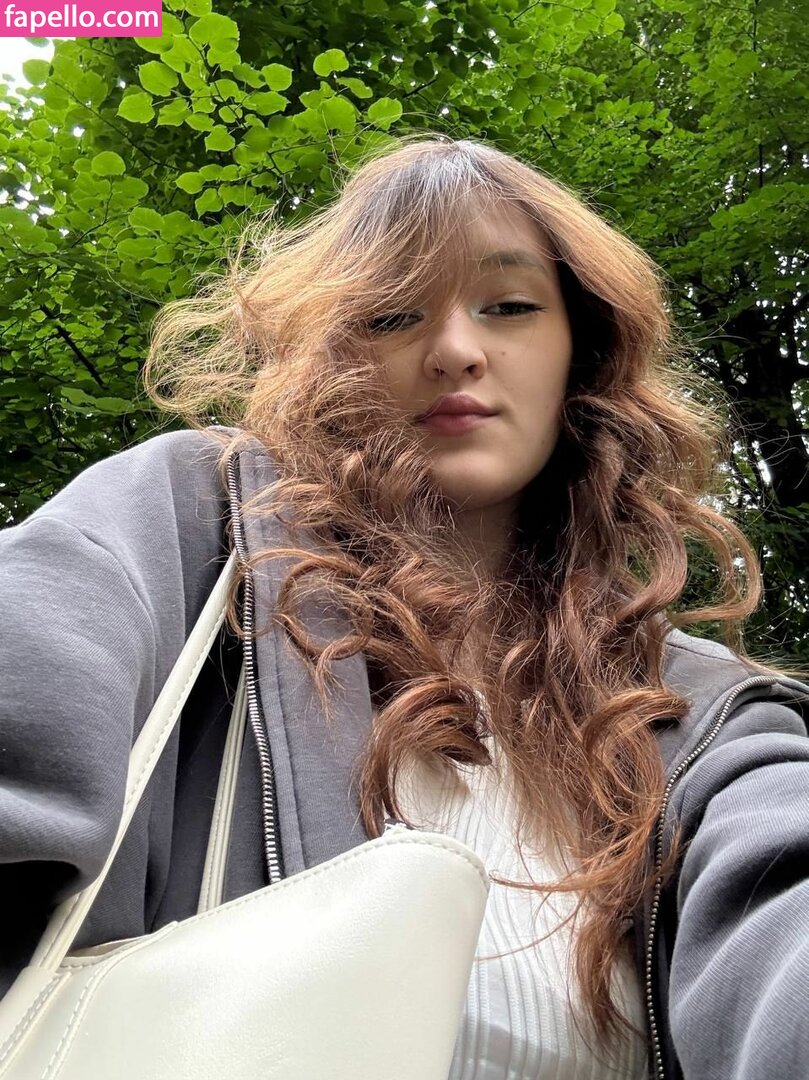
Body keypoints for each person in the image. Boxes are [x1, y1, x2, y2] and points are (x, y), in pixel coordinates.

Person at [1, 135, 808, 1080]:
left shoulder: (703, 716)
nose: (455, 350)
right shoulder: (191, 522)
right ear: (335, 355)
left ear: (579, 351)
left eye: (509, 306)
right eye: (391, 314)